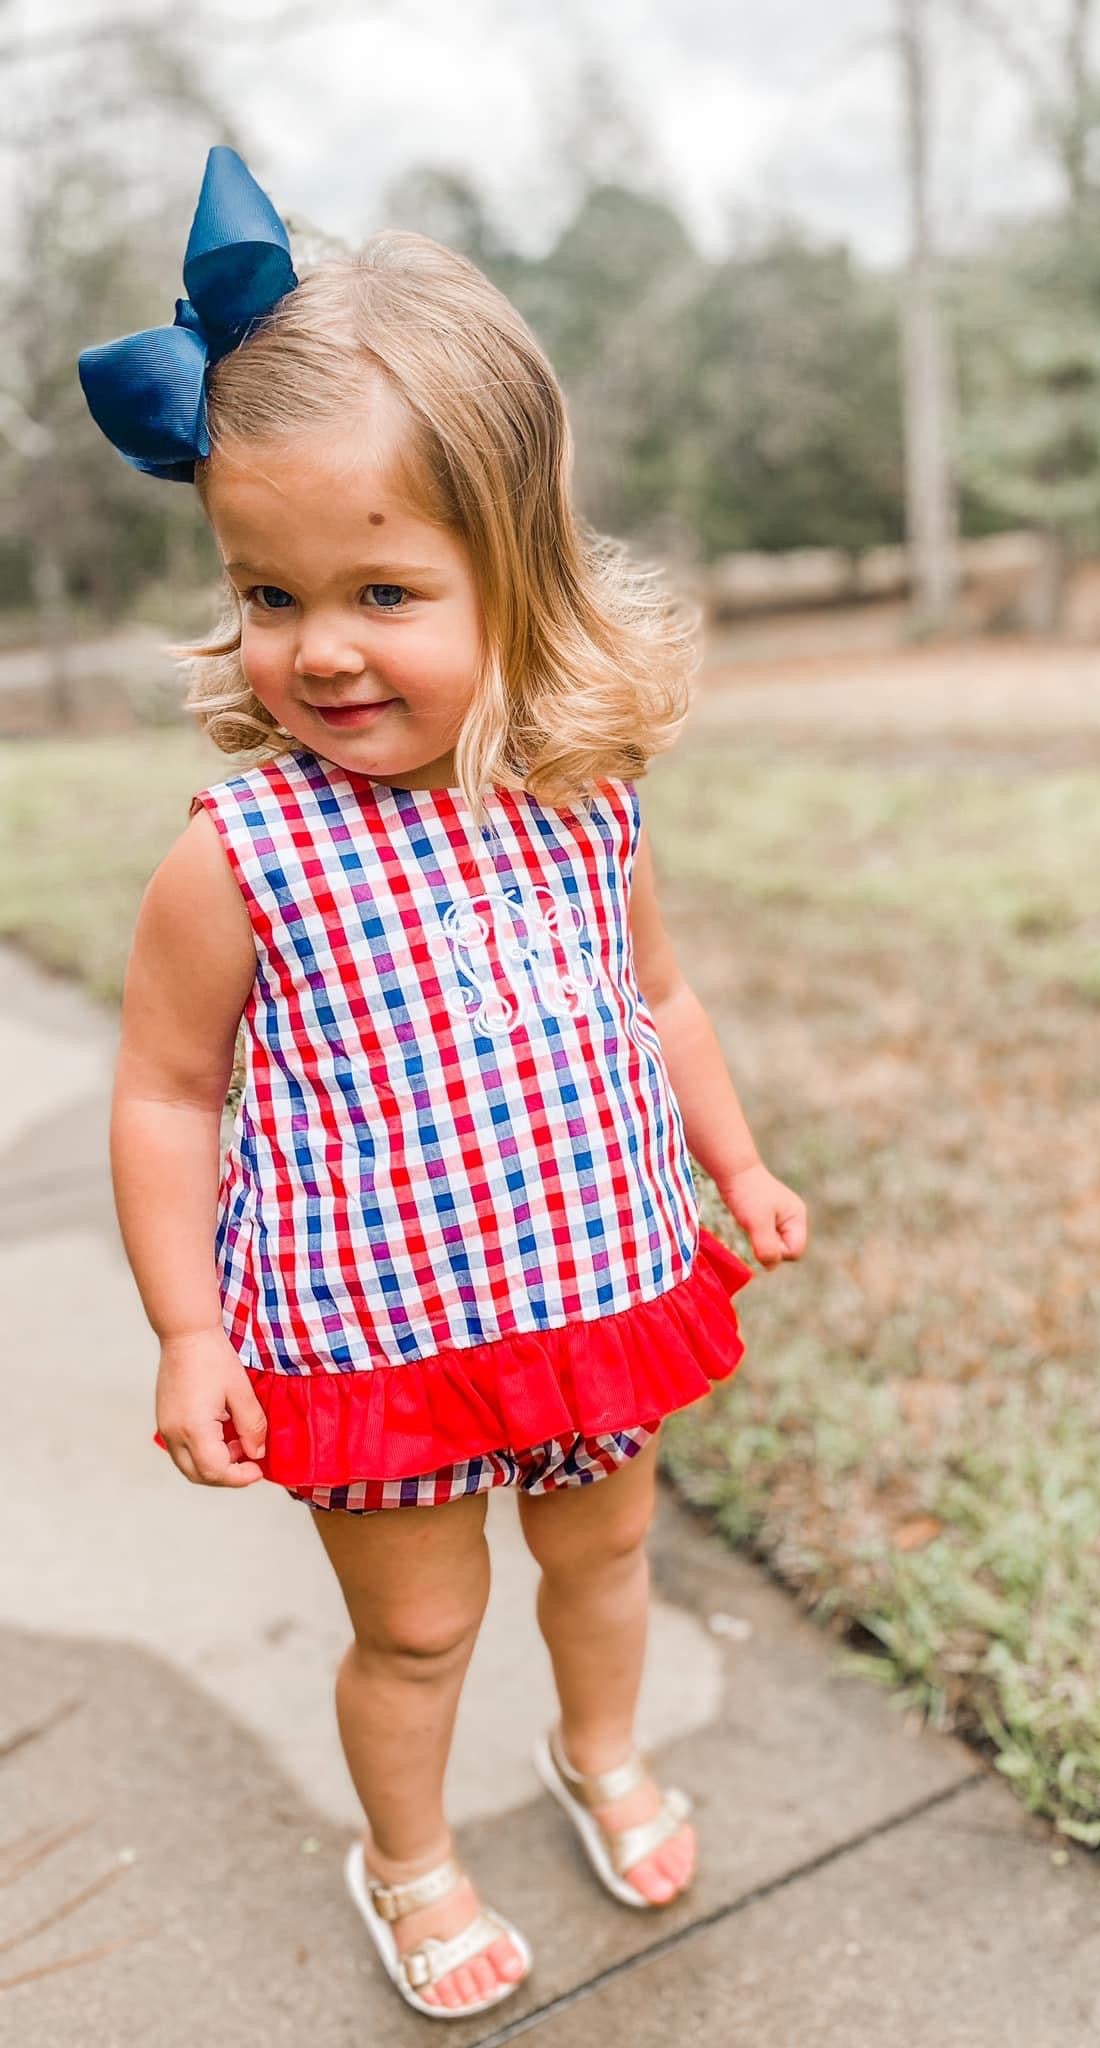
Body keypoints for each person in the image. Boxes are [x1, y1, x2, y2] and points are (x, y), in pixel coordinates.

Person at [82, 148, 807, 2024]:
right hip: (369, 1332)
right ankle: (407, 1857)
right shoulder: (240, 856)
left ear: (520, 572)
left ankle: (600, 1751)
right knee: (415, 1629)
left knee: (609, 1551)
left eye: (384, 589)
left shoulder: (586, 800)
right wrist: (184, 1330)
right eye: (270, 589)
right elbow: (167, 1094)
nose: (317, 646)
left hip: (597, 1297)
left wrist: (734, 1163)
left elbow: (662, 1003)